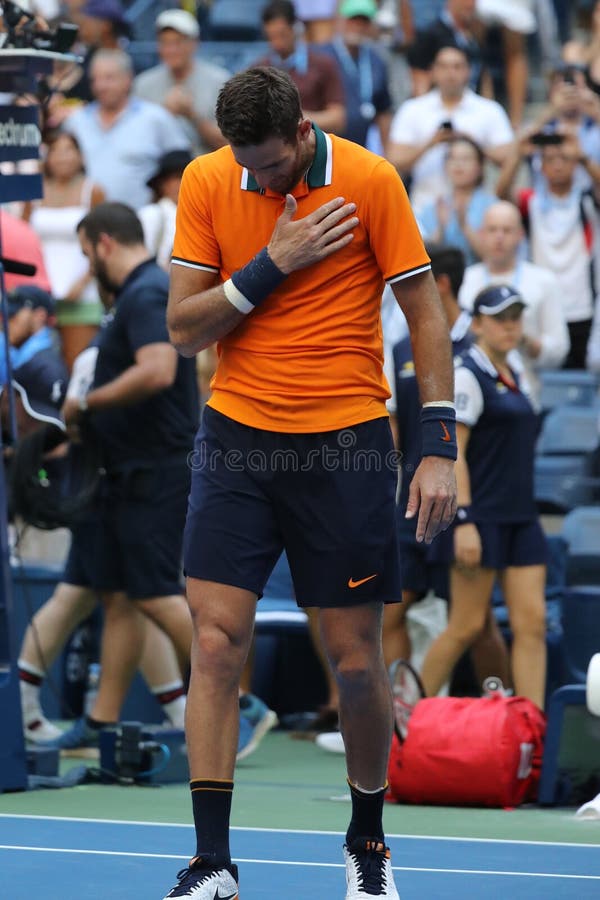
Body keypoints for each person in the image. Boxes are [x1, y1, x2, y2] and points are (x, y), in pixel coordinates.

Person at [163, 65, 457, 900]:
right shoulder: (209, 178)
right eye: (242, 162)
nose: (257, 178)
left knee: (357, 664)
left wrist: (438, 443)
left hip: (346, 444)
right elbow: (185, 330)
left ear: (301, 133)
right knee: (216, 643)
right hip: (237, 441)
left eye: (270, 164)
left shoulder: (370, 178)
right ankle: (213, 863)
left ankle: (369, 845)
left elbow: (424, 311)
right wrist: (270, 263)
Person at [43, 202, 197, 750]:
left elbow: (156, 370)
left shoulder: (148, 291)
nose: (90, 265)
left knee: (153, 594)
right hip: (128, 469)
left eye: (87, 253)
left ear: (104, 243)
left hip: (157, 467)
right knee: (122, 596)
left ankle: (239, 699)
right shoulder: (133, 296)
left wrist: (86, 403)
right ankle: (103, 723)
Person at [420, 284, 547, 710]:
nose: (510, 327)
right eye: (499, 318)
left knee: (533, 625)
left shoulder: (519, 371)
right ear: (477, 324)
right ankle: (397, 725)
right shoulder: (467, 375)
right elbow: (453, 455)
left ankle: (534, 732)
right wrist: (465, 520)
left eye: (515, 318)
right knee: (465, 626)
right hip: (481, 517)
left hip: (521, 517)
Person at [496, 130, 600, 368]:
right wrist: (518, 155)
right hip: (541, 300)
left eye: (565, 159)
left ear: (575, 165)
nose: (558, 165)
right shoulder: (531, 201)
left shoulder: (585, 200)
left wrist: (583, 157)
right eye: (550, 159)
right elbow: (501, 193)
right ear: (540, 166)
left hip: (582, 303)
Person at [458, 201, 569, 398]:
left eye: (507, 230)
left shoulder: (544, 281)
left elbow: (559, 350)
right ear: (481, 234)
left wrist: (523, 340)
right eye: (492, 230)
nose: (499, 237)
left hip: (527, 392)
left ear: (520, 235)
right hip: (474, 391)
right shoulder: (465, 280)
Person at [387, 44, 513, 214]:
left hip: (478, 213)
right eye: (443, 66)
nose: (450, 73)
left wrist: (472, 143)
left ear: (468, 71)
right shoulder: (412, 109)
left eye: (457, 66)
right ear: (433, 71)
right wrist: (431, 143)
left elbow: (509, 158)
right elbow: (394, 160)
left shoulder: (490, 110)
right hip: (424, 208)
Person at [62, 48, 191, 209]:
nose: (101, 86)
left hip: (141, 221)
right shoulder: (75, 121)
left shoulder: (155, 118)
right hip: (85, 220)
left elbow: (183, 166)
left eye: (109, 78)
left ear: (128, 79)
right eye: (95, 79)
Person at [133, 9, 229, 158]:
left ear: (194, 43)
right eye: (164, 42)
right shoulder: (143, 84)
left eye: (178, 42)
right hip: (157, 173)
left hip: (205, 168)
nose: (171, 50)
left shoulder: (219, 80)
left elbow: (230, 144)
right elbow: (135, 141)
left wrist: (192, 115)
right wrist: (163, 114)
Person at [25, 131, 105, 305]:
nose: (62, 157)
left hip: (81, 291)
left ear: (80, 156)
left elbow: (103, 242)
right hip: (39, 291)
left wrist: (82, 284)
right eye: (55, 150)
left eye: (68, 150)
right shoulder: (33, 192)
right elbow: (22, 237)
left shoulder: (93, 191)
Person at [256, 0, 347, 135]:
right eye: (271, 37)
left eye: (282, 35)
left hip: (315, 144)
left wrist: (294, 118)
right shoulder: (259, 70)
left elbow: (338, 119)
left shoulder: (323, 65)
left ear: (295, 28)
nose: (277, 44)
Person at [322, 0, 394, 153]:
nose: (358, 26)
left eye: (364, 21)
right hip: (326, 147)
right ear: (341, 20)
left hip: (363, 147)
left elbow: (384, 111)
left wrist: (387, 155)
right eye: (353, 20)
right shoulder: (321, 57)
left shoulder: (377, 61)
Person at [0, 286, 67, 439]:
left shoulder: (44, 363)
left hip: (40, 450)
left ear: (39, 316)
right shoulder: (14, 350)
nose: (7, 322)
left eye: (13, 315)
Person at [418, 135, 497, 264]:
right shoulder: (434, 207)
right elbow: (421, 258)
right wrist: (441, 229)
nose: (458, 164)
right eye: (452, 158)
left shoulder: (493, 207)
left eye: (466, 159)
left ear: (480, 167)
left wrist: (465, 226)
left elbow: (495, 257)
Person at [138, 149, 192, 271]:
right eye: (178, 177)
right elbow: (141, 262)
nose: (185, 181)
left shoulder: (203, 214)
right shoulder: (151, 214)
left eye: (188, 176)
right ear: (162, 184)